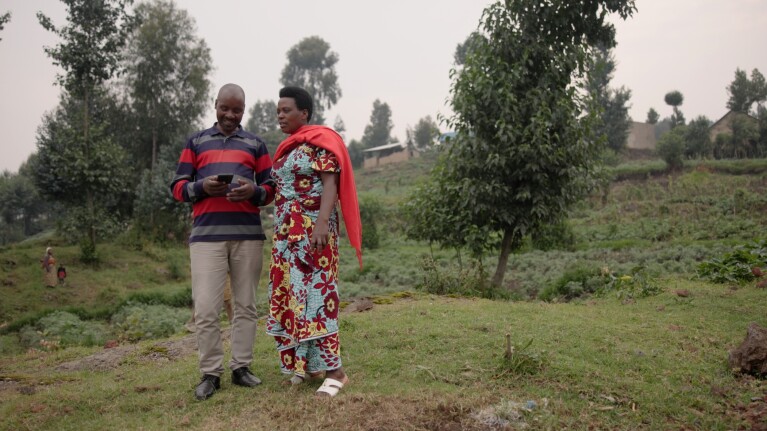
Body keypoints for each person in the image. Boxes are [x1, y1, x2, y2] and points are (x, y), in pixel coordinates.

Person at [170, 83, 275, 401]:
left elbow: (271, 187)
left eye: (237, 110)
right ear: (215, 105)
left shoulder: (256, 143)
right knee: (205, 309)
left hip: (247, 237)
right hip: (206, 238)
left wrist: (253, 193)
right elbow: (177, 187)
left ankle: (241, 368)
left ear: (244, 111)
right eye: (225, 108)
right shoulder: (196, 141)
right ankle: (210, 374)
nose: (230, 115)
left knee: (245, 305)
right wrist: (202, 187)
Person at [266, 86, 362, 398]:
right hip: (285, 235)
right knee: (293, 296)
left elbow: (330, 185)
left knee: (318, 297)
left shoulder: (321, 143)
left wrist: (322, 223)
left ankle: (336, 371)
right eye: (278, 110)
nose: (280, 115)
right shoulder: (287, 148)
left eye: (286, 110)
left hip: (313, 233)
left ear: (304, 113)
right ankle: (304, 364)